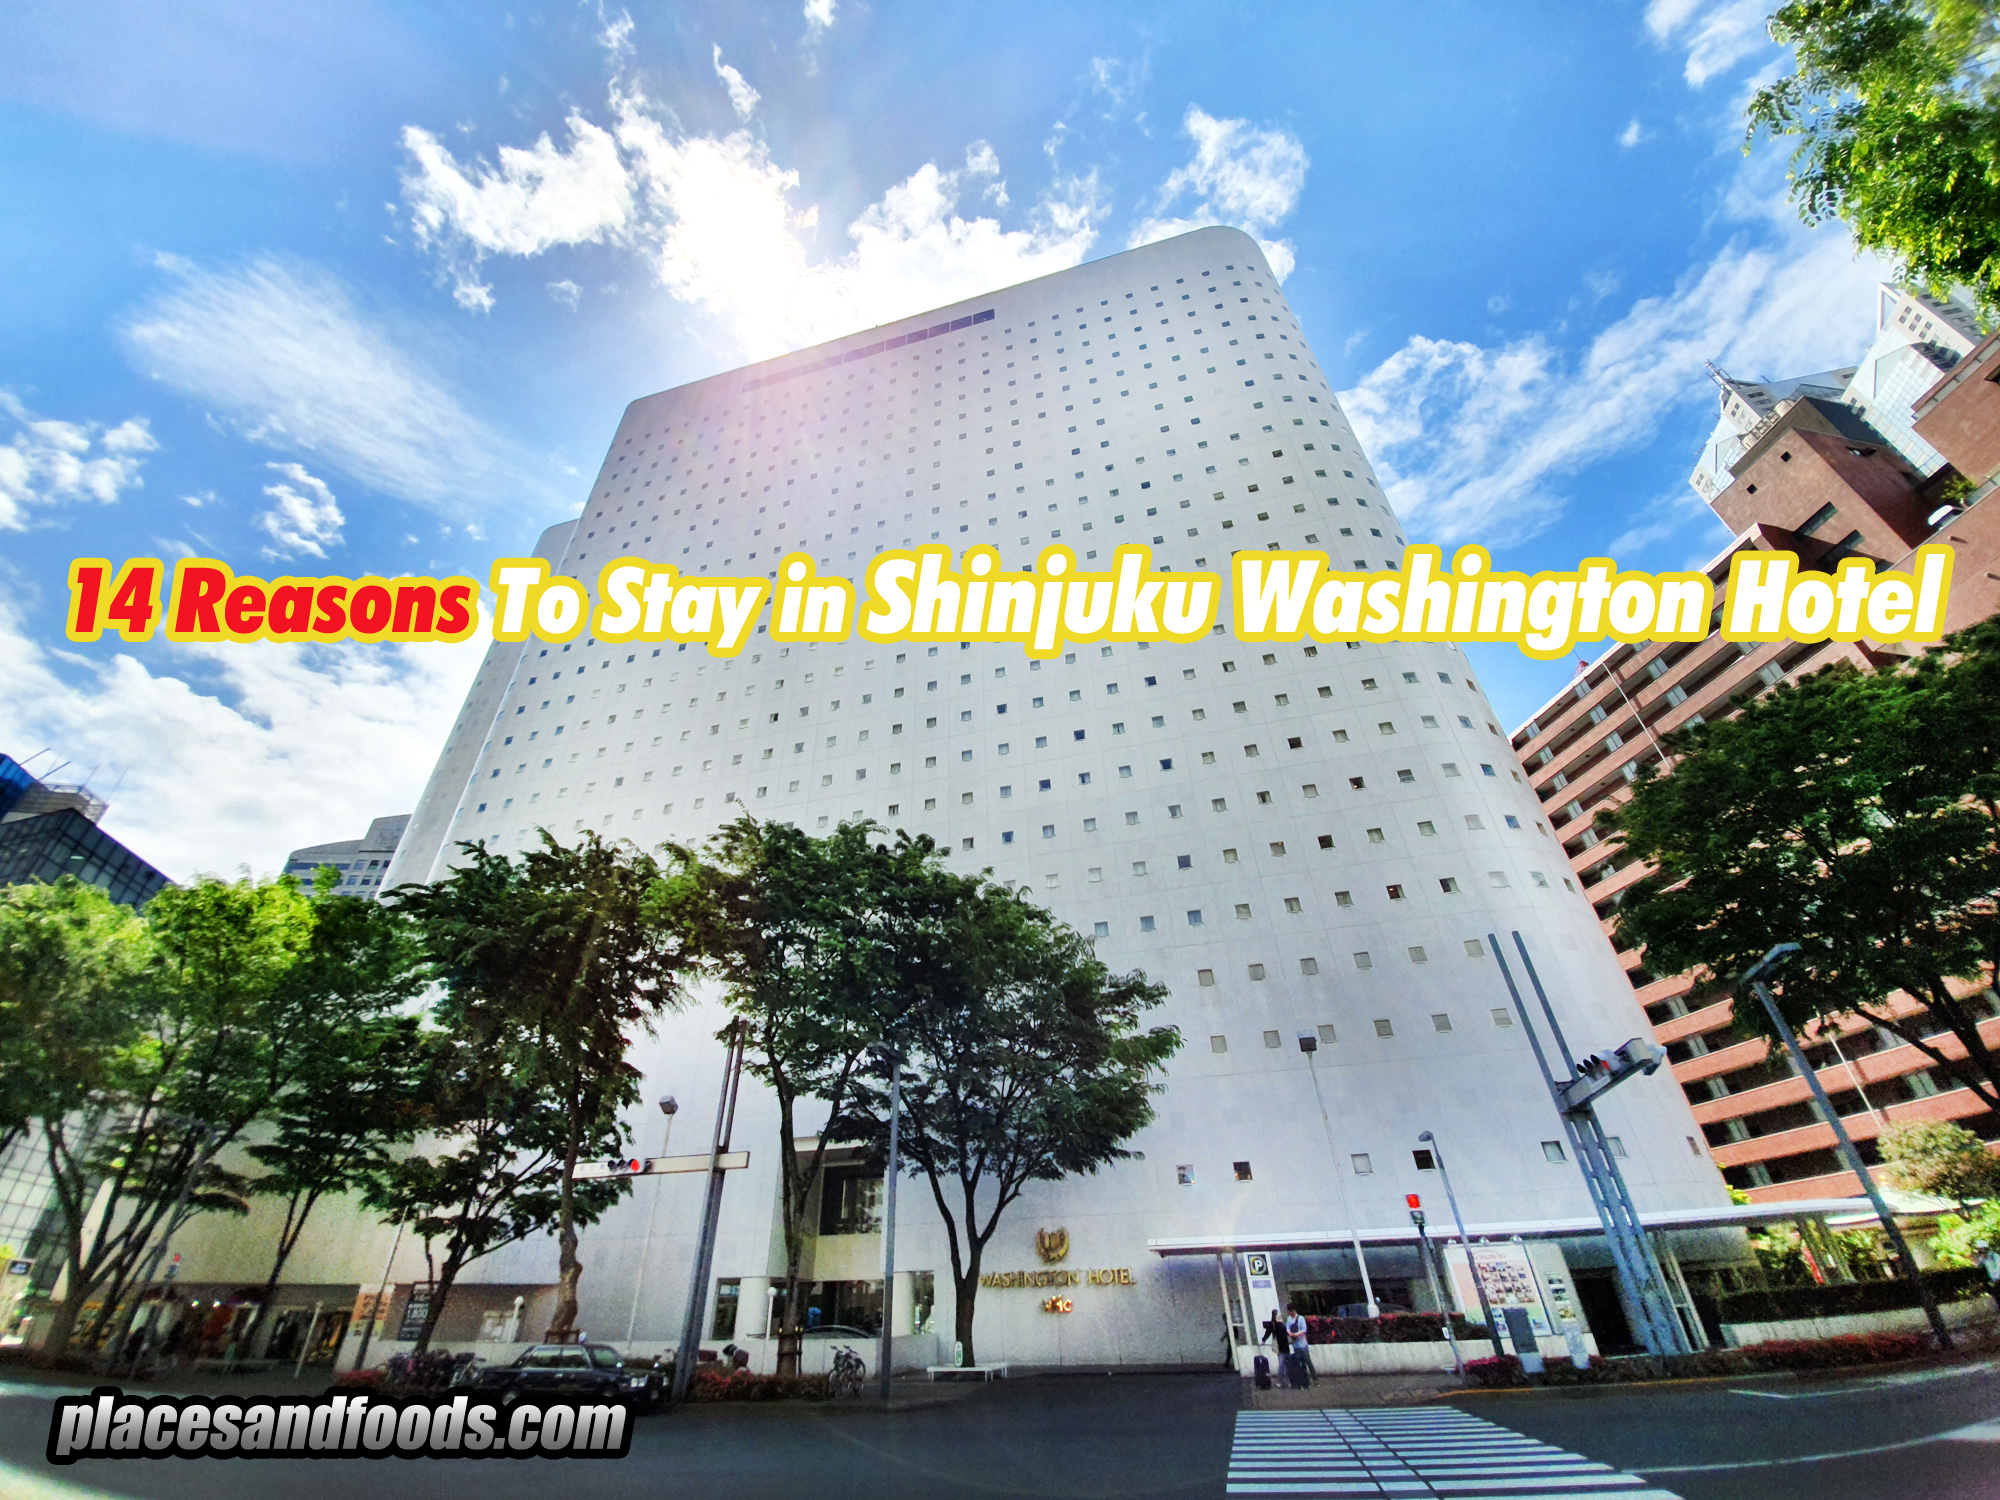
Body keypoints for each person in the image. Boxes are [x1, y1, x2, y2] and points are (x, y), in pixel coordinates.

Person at [1285, 1302, 1314, 1386]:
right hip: (1295, 1344)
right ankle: (1305, 1379)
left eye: (1291, 1311)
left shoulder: (1300, 1318)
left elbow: (1304, 1330)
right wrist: (1290, 1334)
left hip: (1302, 1343)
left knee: (1308, 1361)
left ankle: (1315, 1379)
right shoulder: (1289, 1319)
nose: (1290, 1313)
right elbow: (1287, 1328)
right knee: (1300, 1363)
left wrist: (1296, 1334)